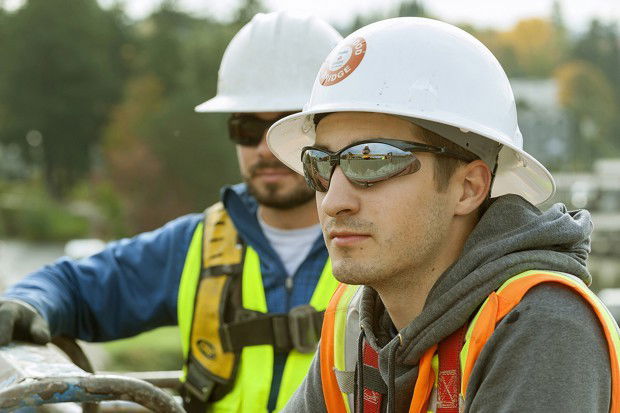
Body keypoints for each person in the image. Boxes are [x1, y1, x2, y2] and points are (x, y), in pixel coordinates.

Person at [267, 17, 620, 413]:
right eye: (320, 164)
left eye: (372, 160)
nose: (334, 201)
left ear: (468, 188)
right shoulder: (354, 323)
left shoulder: (544, 327)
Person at [0, 12, 342, 413]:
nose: (265, 149)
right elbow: (74, 285)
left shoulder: (371, 243)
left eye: (285, 128)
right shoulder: (197, 245)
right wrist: (29, 302)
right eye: (248, 129)